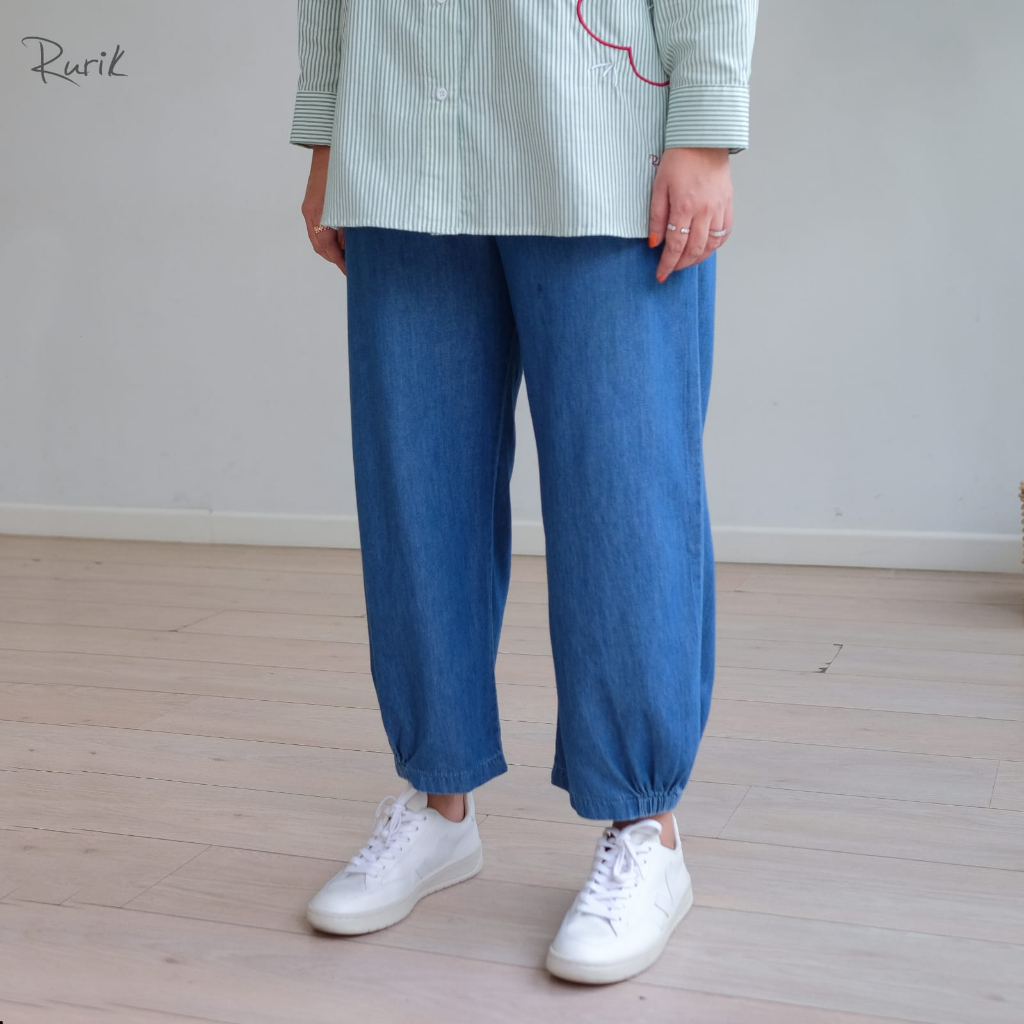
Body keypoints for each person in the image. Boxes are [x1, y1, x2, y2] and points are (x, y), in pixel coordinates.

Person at [290, 0, 757, 986]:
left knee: (623, 500)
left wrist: (707, 127)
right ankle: (439, 801)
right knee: (415, 492)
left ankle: (647, 828)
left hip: (599, 135)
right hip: (400, 134)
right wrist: (330, 129)